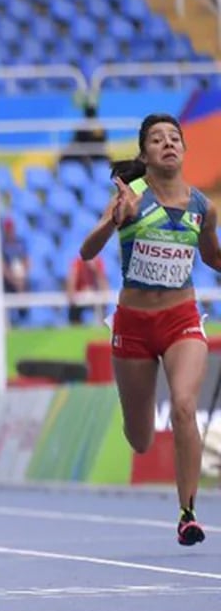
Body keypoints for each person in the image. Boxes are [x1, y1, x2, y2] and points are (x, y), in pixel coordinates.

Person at [79, 113, 217, 546]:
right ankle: (134, 419)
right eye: (156, 139)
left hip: (181, 320)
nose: (167, 144)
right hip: (134, 327)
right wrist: (114, 221)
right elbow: (87, 252)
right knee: (139, 438)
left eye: (174, 138)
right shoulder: (130, 195)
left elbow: (214, 257)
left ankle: (188, 513)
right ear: (144, 154)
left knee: (182, 407)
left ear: (183, 149)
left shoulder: (202, 207)